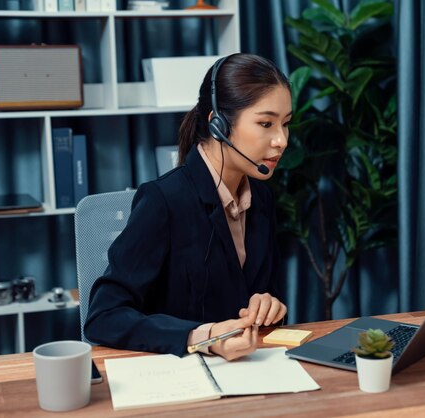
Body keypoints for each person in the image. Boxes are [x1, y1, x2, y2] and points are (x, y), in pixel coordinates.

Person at [84, 53, 291, 361]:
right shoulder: (163, 200)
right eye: (266, 123)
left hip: (249, 370)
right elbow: (104, 316)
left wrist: (268, 305)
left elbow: (257, 297)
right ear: (218, 125)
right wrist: (202, 338)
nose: (282, 140)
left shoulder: (261, 198)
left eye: (286, 124)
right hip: (181, 375)